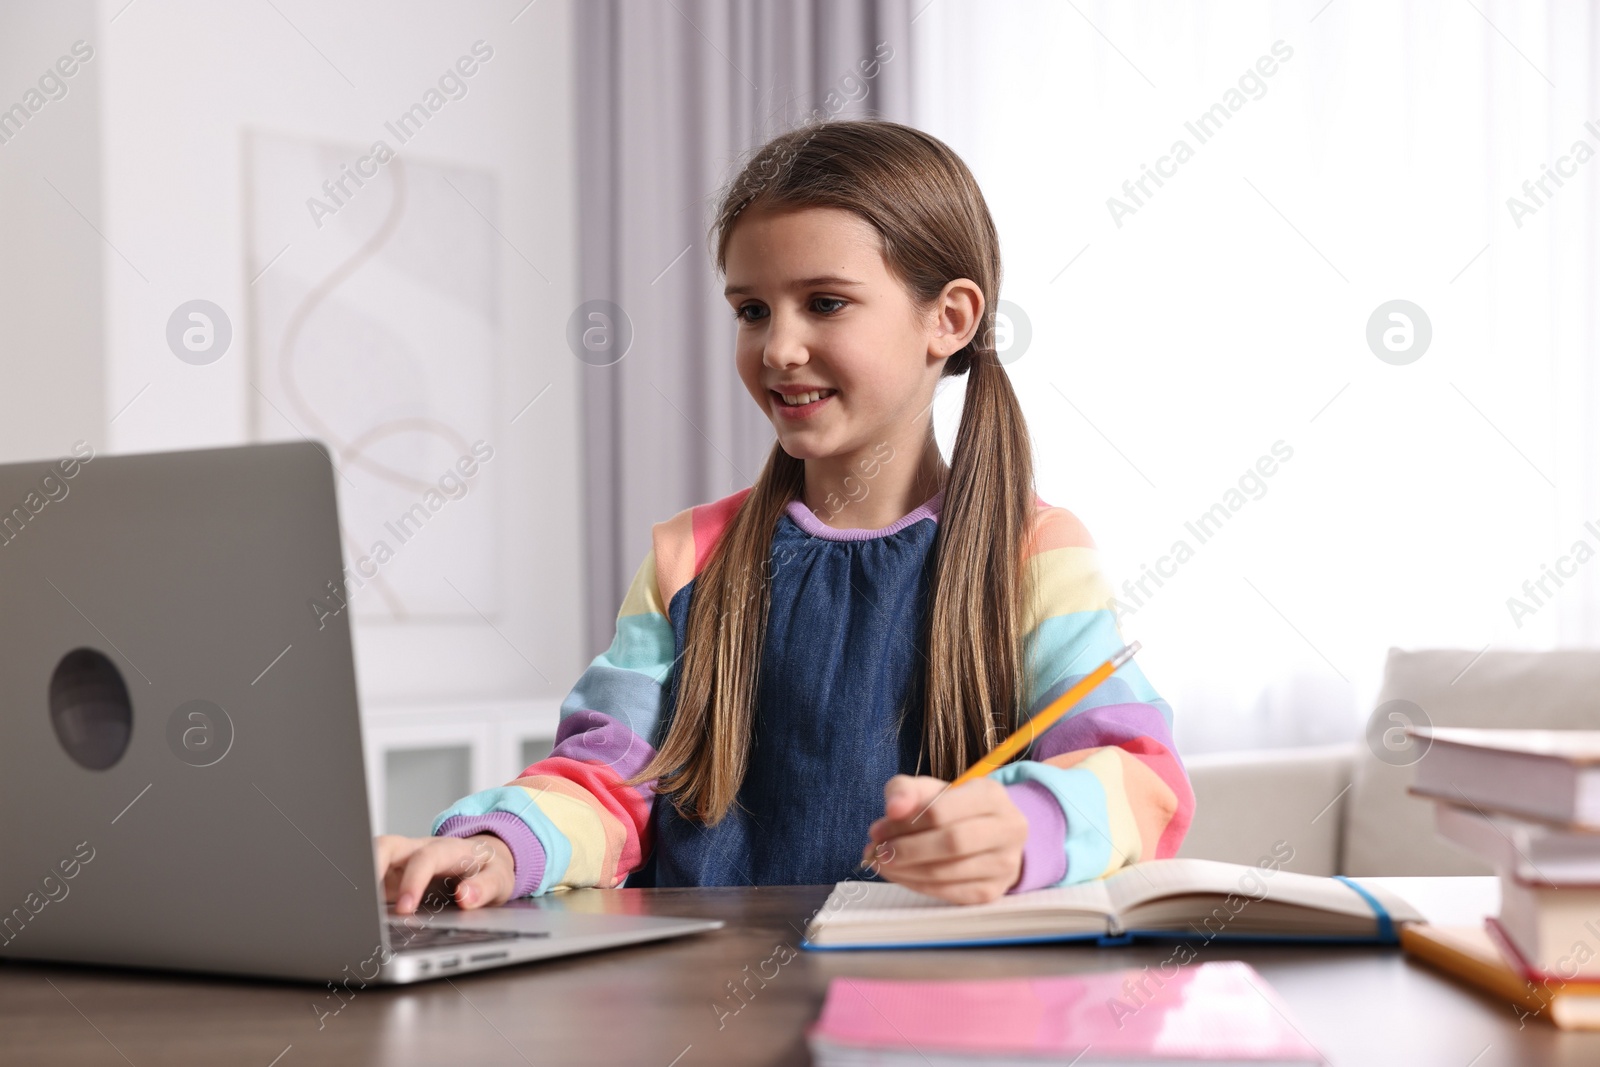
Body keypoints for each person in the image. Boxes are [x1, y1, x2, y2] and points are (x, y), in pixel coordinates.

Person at [377, 119, 1193, 914]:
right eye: (752, 310)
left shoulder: (1036, 552)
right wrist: (498, 845)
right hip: (698, 1013)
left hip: (935, 1004)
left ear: (949, 319)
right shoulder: (689, 555)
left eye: (826, 303)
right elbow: (605, 780)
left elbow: (1138, 775)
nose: (778, 348)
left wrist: (1032, 825)